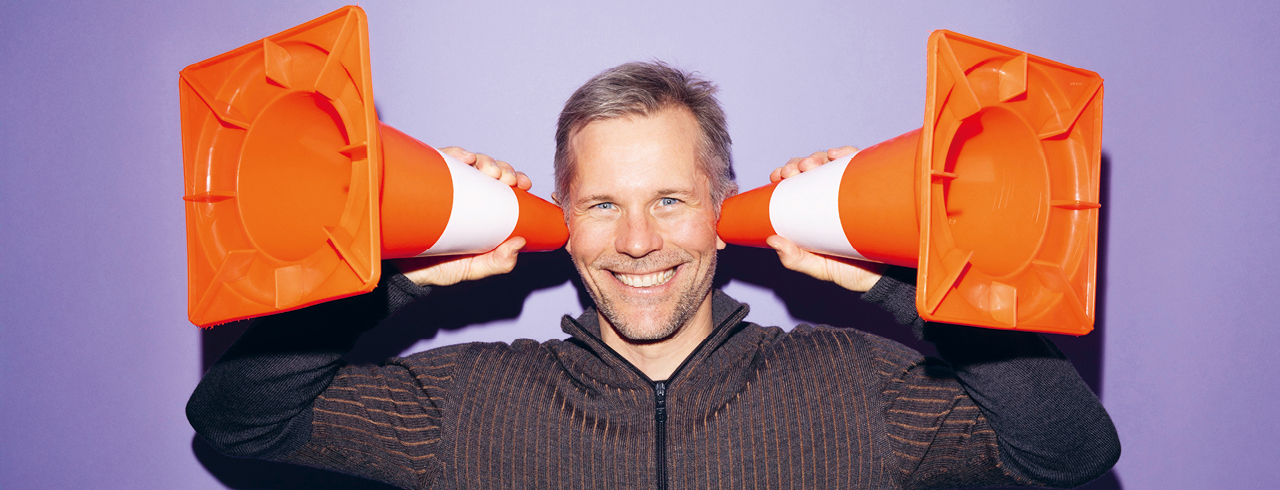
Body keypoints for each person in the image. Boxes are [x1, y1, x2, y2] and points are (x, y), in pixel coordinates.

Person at [188, 61, 1120, 489]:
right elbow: (238, 418)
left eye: (671, 199)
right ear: (562, 218)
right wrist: (382, 274)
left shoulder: (857, 387)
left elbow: (1071, 452)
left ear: (724, 208)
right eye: (601, 204)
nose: (637, 240)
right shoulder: (466, 404)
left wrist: (910, 283)